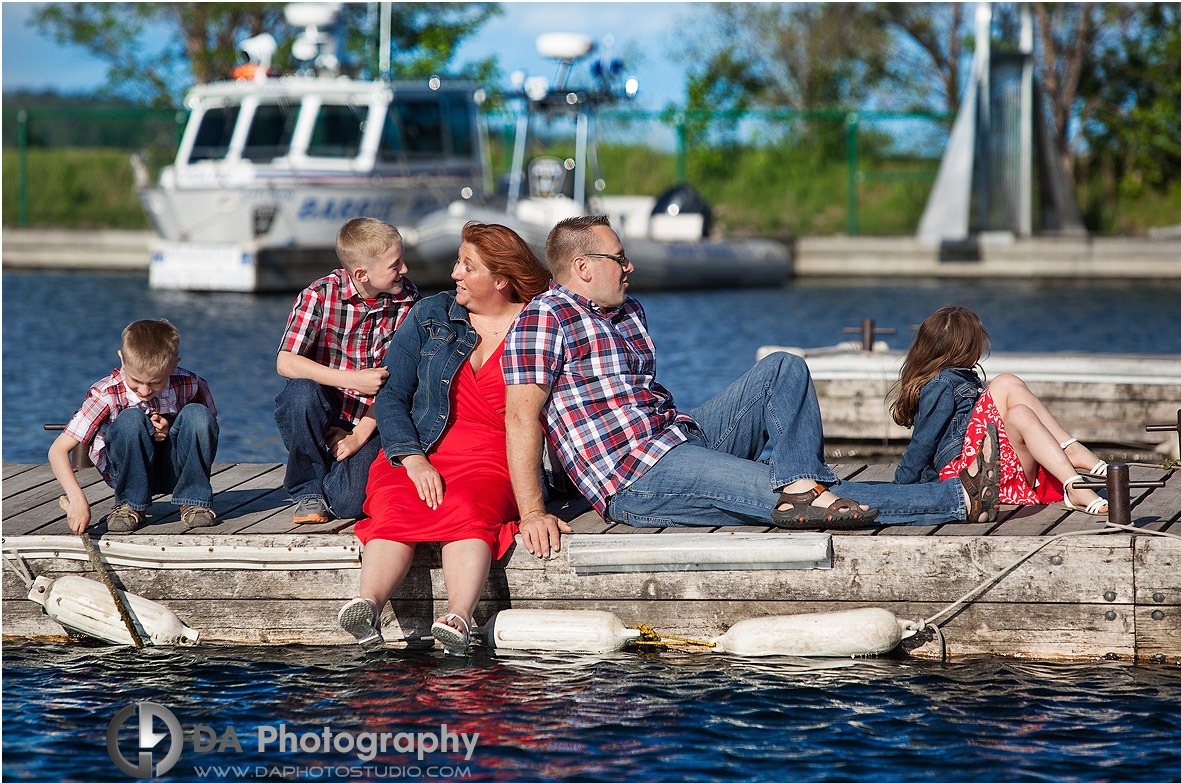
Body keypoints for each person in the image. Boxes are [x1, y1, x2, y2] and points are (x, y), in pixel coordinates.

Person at [502, 215, 1003, 558]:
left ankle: (799, 483)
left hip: (680, 437)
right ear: (582, 267)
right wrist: (532, 512)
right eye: (618, 257)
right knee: (814, 502)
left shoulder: (628, 310)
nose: (629, 265)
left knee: (784, 367)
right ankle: (956, 501)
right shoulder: (543, 319)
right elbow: (522, 417)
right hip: (635, 477)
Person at [338, 222, 552, 653]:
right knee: (396, 503)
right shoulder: (432, 314)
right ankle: (368, 604)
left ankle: (458, 615)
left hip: (497, 456)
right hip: (423, 447)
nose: (453, 273)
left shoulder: (540, 323)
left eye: (466, 266)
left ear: (500, 280)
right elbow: (392, 395)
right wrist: (412, 459)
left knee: (469, 506)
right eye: (457, 261)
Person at [893, 305, 1109, 515]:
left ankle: (1073, 485)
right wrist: (897, 488)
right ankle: (1069, 448)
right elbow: (923, 443)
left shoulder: (963, 380)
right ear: (968, 347)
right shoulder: (941, 385)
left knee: (1020, 413)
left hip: (992, 473)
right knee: (1006, 382)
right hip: (967, 478)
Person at [274, 217, 418, 523]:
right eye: (396, 264)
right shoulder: (319, 295)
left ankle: (332, 463)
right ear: (361, 274)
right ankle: (307, 490)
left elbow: (403, 381)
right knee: (300, 393)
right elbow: (285, 362)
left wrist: (357, 436)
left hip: (372, 416)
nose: (404, 270)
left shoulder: (407, 301)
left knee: (349, 504)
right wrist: (352, 380)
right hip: (323, 408)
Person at [50, 319, 219, 533]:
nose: (145, 390)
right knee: (130, 419)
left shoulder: (192, 384)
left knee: (198, 415)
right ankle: (130, 505)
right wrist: (76, 498)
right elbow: (58, 450)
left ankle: (193, 500)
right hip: (125, 472)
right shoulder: (106, 394)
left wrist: (171, 426)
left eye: (156, 382)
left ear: (174, 366)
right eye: (136, 380)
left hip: (176, 470)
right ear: (122, 358)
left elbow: (205, 431)